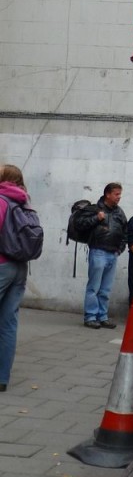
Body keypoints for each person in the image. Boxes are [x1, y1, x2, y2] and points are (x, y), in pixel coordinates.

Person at [0, 165, 32, 391]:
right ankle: (2, 378)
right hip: (20, 266)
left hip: (1, 265)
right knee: (8, 323)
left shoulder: (1, 200)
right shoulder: (23, 201)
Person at [79, 182, 127, 329]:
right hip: (98, 251)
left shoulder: (119, 212)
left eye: (120, 194)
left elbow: (125, 232)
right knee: (94, 287)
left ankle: (103, 316)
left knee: (105, 289)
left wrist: (120, 249)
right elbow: (81, 224)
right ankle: (91, 316)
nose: (119, 197)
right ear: (108, 194)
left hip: (113, 253)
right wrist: (96, 218)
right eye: (116, 194)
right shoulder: (95, 209)